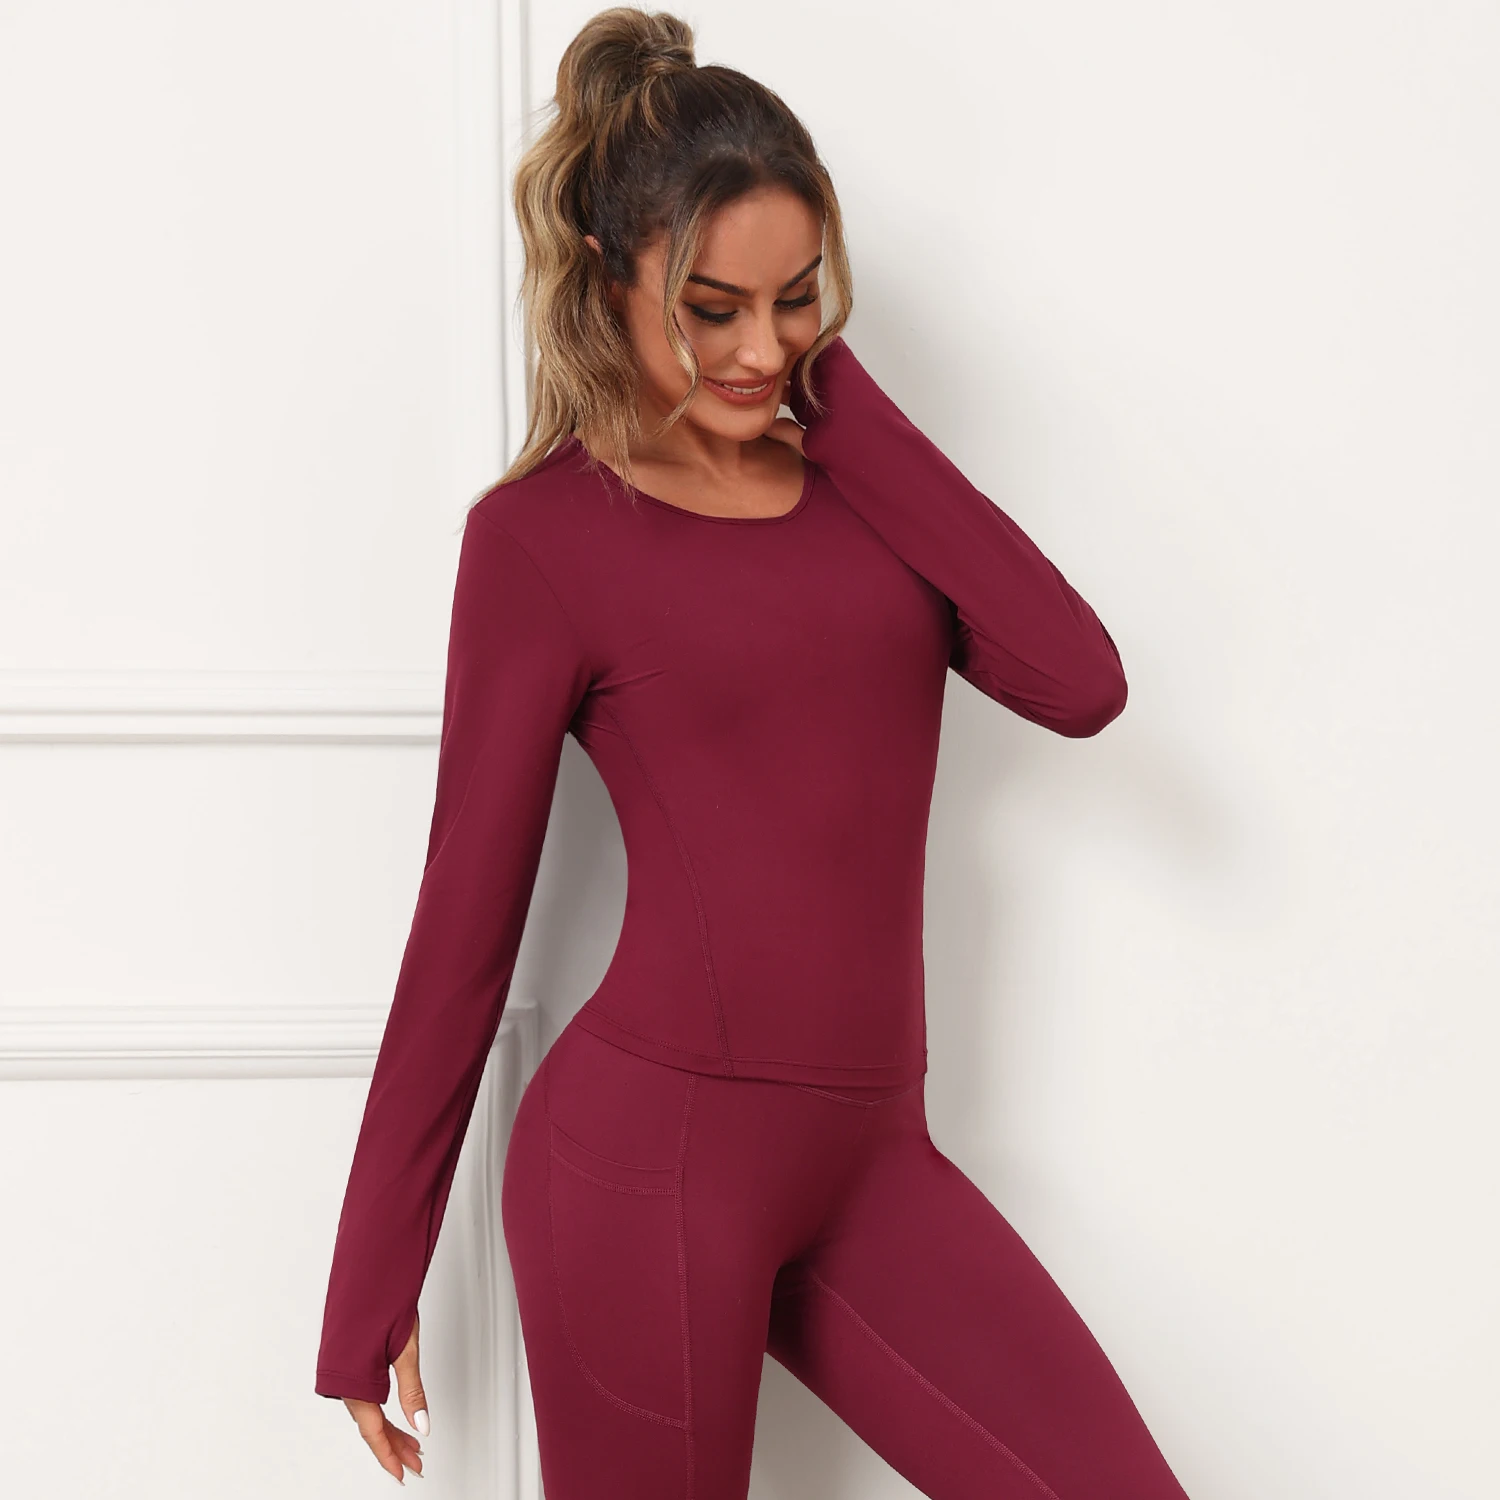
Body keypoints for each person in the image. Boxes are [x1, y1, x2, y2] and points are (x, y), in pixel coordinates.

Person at [315, 8, 1191, 1498]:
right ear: (610, 271)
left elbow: (1079, 680)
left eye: (797, 302)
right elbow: (463, 927)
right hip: (644, 1169)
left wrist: (837, 406)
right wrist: (370, 1278)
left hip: (877, 1165)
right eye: (712, 308)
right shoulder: (541, 540)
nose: (759, 348)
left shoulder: (861, 491)